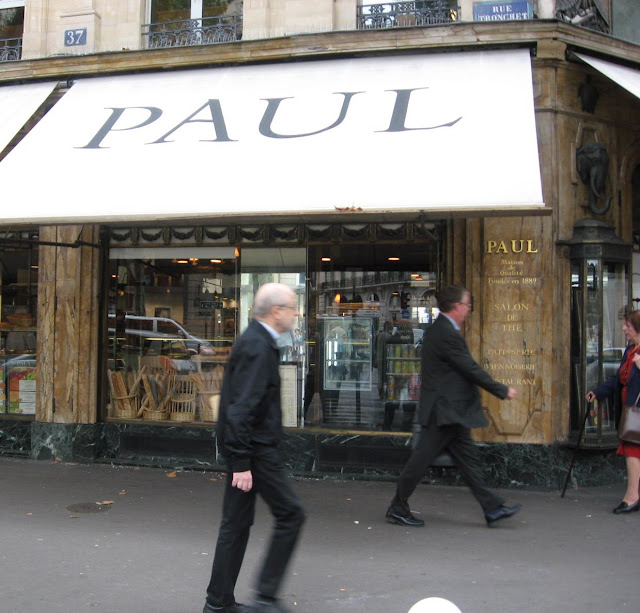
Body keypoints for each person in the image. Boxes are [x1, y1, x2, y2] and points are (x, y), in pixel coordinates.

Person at [202, 283, 306, 613]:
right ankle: (265, 596)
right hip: (256, 452)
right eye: (292, 307)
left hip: (249, 449)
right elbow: (240, 409)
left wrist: (238, 458)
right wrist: (242, 462)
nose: (296, 313)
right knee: (291, 514)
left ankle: (217, 604)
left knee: (235, 524)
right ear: (276, 311)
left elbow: (239, 405)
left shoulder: (256, 341)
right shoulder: (258, 346)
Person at [385, 285, 522, 528]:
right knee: (419, 462)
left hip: (450, 411)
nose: (469, 310)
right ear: (457, 307)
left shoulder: (443, 330)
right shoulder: (445, 333)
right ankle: (397, 506)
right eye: (467, 305)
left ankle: (491, 508)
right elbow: (468, 367)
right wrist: (501, 390)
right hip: (443, 411)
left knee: (468, 461)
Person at [586, 310, 640, 514]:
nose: (624, 329)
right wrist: (597, 393)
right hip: (629, 410)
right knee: (633, 450)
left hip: (638, 412)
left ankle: (632, 497)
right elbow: (617, 380)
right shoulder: (629, 351)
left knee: (633, 451)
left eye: (627, 325)